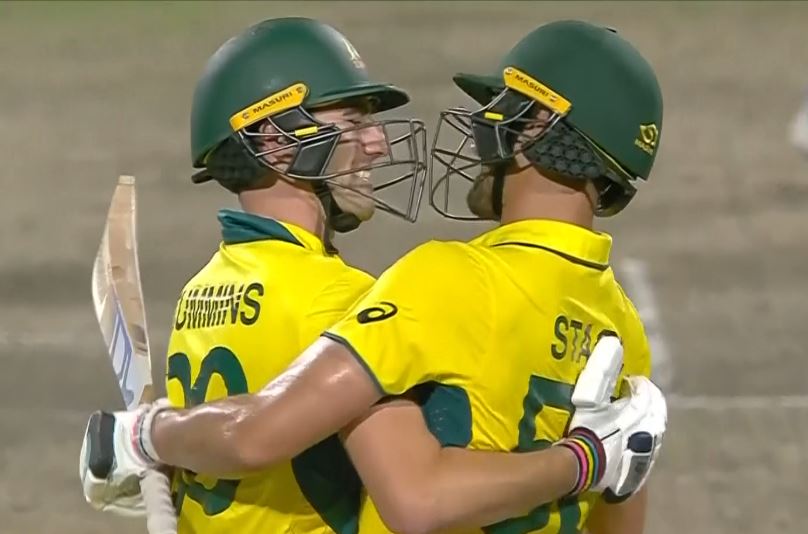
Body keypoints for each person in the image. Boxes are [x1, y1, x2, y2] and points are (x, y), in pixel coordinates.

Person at [80, 19, 668, 534]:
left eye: (498, 108)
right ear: (275, 141)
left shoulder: (200, 294)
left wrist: (148, 436)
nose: (379, 144)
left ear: (539, 129)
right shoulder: (623, 329)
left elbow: (258, 435)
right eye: (353, 120)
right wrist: (586, 462)